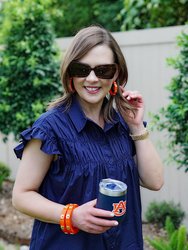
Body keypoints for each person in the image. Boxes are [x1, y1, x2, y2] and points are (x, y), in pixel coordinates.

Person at [12, 25, 164, 250]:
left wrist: (135, 126)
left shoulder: (122, 122)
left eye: (103, 70)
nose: (92, 78)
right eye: (81, 69)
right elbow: (21, 196)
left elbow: (154, 181)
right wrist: (71, 215)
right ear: (69, 73)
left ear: (116, 74)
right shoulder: (50, 127)